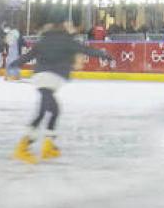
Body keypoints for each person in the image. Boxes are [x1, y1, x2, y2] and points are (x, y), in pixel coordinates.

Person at [12, 20, 115, 162]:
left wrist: (14, 63)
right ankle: (22, 147)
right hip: (50, 78)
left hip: (41, 77)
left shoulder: (45, 40)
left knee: (54, 110)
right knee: (43, 112)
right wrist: (105, 55)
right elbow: (87, 50)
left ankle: (48, 145)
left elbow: (28, 56)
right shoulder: (67, 41)